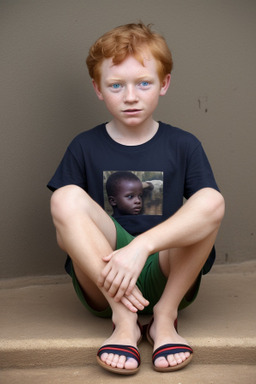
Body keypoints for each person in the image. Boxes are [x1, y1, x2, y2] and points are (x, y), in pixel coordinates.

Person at [47, 22, 225, 375]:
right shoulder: (84, 146)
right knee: (65, 198)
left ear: (164, 83)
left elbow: (207, 213)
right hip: (105, 277)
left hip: (166, 270)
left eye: (144, 82)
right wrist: (119, 258)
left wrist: (140, 249)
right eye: (116, 85)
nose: (131, 96)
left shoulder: (184, 144)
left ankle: (164, 317)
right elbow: (65, 231)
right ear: (98, 89)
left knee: (211, 200)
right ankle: (124, 320)